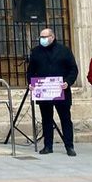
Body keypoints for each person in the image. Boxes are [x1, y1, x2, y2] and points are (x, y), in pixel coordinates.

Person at [27, 28, 78, 156]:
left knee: (65, 119)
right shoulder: (36, 52)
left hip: (61, 91)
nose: (43, 39)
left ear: (52, 37)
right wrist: (30, 83)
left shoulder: (64, 51)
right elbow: (30, 71)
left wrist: (68, 82)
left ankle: (69, 146)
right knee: (46, 119)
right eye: (41, 37)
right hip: (44, 92)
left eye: (45, 37)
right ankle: (47, 146)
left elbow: (73, 69)